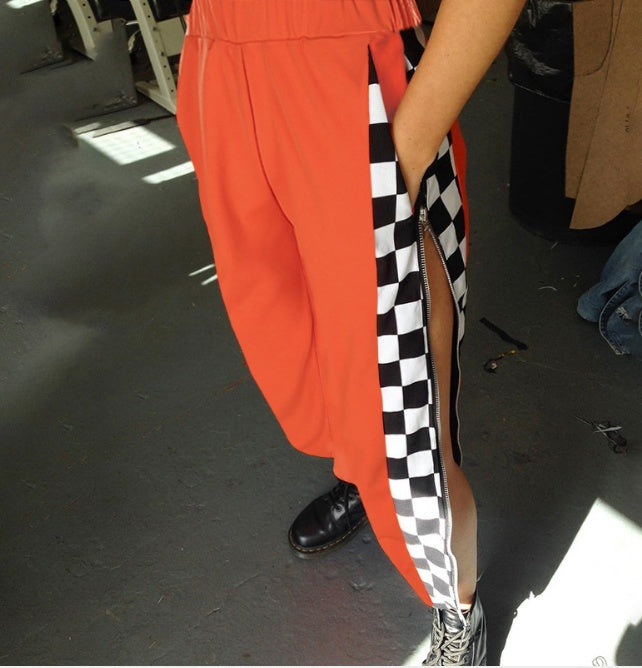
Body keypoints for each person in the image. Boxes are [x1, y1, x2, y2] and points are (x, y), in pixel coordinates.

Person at [176, 0, 525, 664]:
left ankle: (458, 608)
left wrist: (407, 147)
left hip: (350, 74)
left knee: (403, 409)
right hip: (218, 61)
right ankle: (360, 475)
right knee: (291, 347)